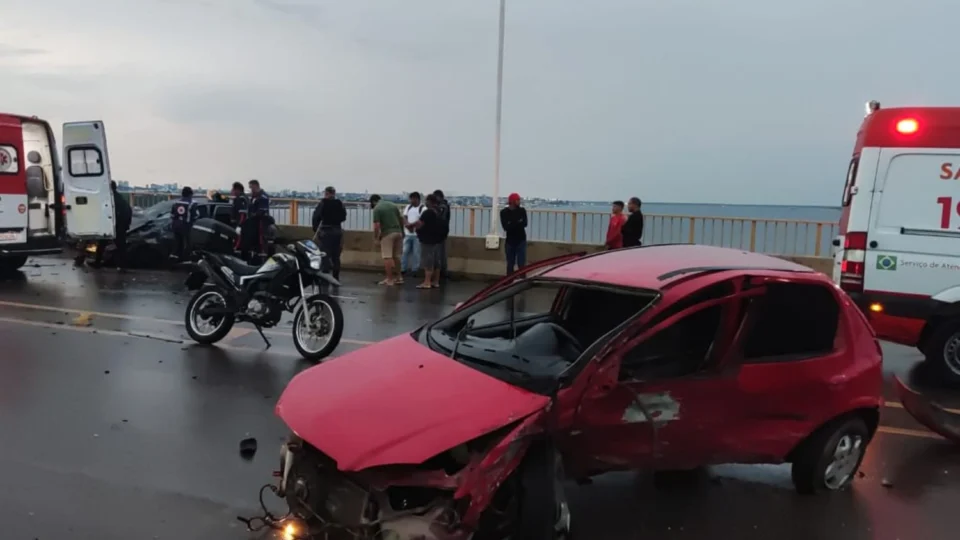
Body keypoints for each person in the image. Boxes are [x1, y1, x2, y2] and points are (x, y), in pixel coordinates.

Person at [92, 181, 132, 270]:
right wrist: (126, 225)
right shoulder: (120, 198)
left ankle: (97, 262)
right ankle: (123, 266)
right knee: (121, 247)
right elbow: (128, 211)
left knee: (102, 244)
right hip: (120, 226)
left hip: (112, 226)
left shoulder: (109, 198)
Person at [312, 186, 347, 280]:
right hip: (337, 230)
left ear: (326, 193)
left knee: (325, 255)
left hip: (326, 230)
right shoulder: (340, 203)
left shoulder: (323, 203)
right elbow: (343, 217)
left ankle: (325, 276)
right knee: (336, 256)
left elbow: (316, 217)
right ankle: (336, 277)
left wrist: (316, 229)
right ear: (334, 193)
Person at [370, 194, 404, 286]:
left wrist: (376, 237)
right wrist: (402, 232)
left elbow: (377, 226)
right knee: (396, 256)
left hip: (388, 234)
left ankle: (389, 279)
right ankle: (399, 277)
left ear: (373, 202)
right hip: (398, 232)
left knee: (387, 257)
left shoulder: (377, 208)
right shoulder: (393, 205)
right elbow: (401, 219)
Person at [414, 193, 444, 289]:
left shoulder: (428, 212)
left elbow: (420, 224)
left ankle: (427, 282)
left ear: (429, 202)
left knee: (428, 261)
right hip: (437, 239)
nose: (425, 203)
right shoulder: (439, 211)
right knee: (436, 261)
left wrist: (413, 227)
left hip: (427, 239)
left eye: (426, 201)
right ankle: (436, 281)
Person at [499, 192, 528, 274]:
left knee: (521, 264)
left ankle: (522, 280)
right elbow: (506, 227)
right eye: (517, 200)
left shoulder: (522, 211)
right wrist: (518, 221)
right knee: (510, 264)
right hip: (510, 241)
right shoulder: (504, 212)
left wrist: (511, 222)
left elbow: (525, 223)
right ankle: (509, 281)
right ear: (512, 201)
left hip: (521, 240)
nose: (519, 201)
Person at [170, 186, 198, 262]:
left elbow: (172, 215)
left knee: (178, 243)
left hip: (175, 226)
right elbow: (195, 216)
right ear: (190, 194)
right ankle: (186, 259)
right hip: (186, 226)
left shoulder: (176, 203)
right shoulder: (192, 203)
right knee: (188, 244)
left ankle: (175, 259)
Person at [246, 179, 271, 262]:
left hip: (262, 223)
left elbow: (261, 211)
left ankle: (263, 258)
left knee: (262, 241)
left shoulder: (263, 197)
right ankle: (255, 257)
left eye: (251, 187)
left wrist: (253, 215)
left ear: (256, 186)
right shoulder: (254, 196)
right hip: (253, 223)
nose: (251, 190)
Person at [401, 192, 424, 277]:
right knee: (404, 252)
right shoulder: (408, 207)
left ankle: (415, 270)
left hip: (417, 235)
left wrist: (410, 226)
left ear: (417, 199)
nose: (411, 201)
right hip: (408, 234)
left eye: (413, 199)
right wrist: (407, 225)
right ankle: (403, 269)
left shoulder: (422, 208)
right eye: (411, 199)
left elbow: (421, 221)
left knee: (416, 253)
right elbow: (404, 217)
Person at [433, 189, 451, 279]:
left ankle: (441, 272)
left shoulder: (442, 206)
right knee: (441, 252)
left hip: (440, 232)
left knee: (439, 253)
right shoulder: (445, 205)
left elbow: (440, 217)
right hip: (443, 231)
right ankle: (442, 271)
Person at [230, 182, 250, 259]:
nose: (232, 191)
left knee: (238, 246)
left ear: (237, 190)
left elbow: (243, 214)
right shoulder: (245, 198)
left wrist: (239, 226)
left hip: (240, 226)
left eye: (233, 189)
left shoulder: (240, 199)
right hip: (244, 226)